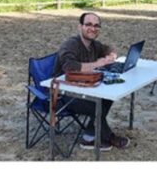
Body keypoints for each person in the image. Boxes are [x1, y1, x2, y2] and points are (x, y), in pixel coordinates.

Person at [53, 12, 130, 150]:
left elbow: (108, 48)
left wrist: (111, 55)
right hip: (63, 94)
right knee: (97, 105)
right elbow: (70, 67)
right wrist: (97, 63)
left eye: (96, 26)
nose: (92, 28)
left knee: (108, 97)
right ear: (80, 27)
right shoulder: (70, 44)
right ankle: (108, 136)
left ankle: (89, 135)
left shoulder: (94, 44)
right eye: (88, 24)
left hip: (82, 87)